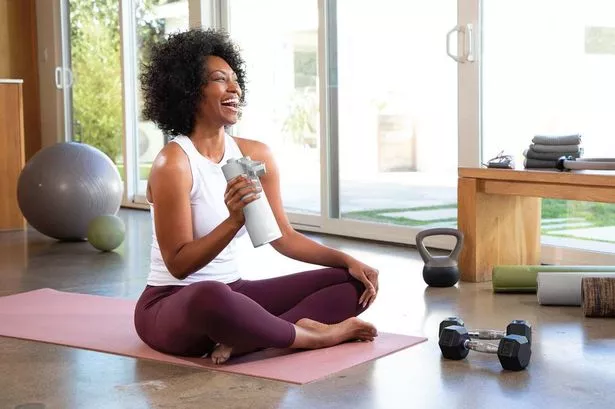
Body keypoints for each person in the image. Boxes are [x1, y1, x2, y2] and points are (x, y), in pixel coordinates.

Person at [133, 28, 380, 365]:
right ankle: (308, 336)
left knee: (348, 283)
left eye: (235, 80)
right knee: (212, 294)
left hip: (236, 293)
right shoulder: (174, 163)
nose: (234, 88)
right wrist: (234, 221)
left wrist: (346, 259)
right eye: (220, 80)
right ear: (190, 91)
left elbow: (284, 238)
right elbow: (178, 265)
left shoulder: (253, 155)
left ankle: (248, 339)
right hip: (173, 304)